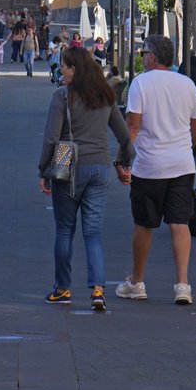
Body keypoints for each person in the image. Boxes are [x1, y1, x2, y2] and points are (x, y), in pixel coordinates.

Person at [39, 47, 134, 311]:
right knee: (93, 232)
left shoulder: (62, 97)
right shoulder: (105, 96)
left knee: (64, 230)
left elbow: (51, 137)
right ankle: (98, 290)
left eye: (66, 66)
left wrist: (43, 170)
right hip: (100, 167)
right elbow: (124, 135)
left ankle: (63, 288)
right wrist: (124, 162)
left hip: (68, 168)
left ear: (76, 69)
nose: (62, 70)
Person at [115, 35, 196, 306]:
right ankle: (182, 285)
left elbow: (132, 127)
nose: (142, 57)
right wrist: (185, 146)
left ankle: (137, 282)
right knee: (180, 223)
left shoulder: (140, 83)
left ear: (152, 56)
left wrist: (122, 161)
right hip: (181, 164)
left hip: (149, 165)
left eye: (144, 53)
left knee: (144, 224)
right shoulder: (186, 84)